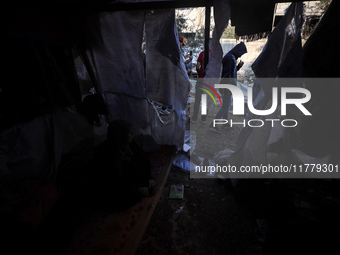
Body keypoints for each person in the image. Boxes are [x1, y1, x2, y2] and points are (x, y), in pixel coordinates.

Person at [87, 119, 156, 210]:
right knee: (120, 200)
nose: (132, 134)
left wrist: (148, 178)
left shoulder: (127, 143)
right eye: (129, 132)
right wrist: (137, 190)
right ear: (120, 135)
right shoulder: (105, 155)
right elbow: (112, 183)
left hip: (125, 175)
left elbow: (143, 159)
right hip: (113, 187)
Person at [209, 42, 247, 133]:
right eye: (241, 53)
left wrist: (238, 67)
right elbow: (227, 74)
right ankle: (213, 125)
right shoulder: (230, 58)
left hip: (226, 85)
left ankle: (225, 124)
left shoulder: (231, 57)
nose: (241, 55)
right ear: (238, 50)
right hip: (226, 85)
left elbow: (231, 72)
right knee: (226, 106)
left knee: (226, 105)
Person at [191, 47, 211, 123]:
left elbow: (197, 66)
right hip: (208, 81)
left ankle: (194, 118)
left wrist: (200, 73)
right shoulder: (213, 55)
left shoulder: (202, 53)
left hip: (200, 80)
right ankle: (203, 119)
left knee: (197, 99)